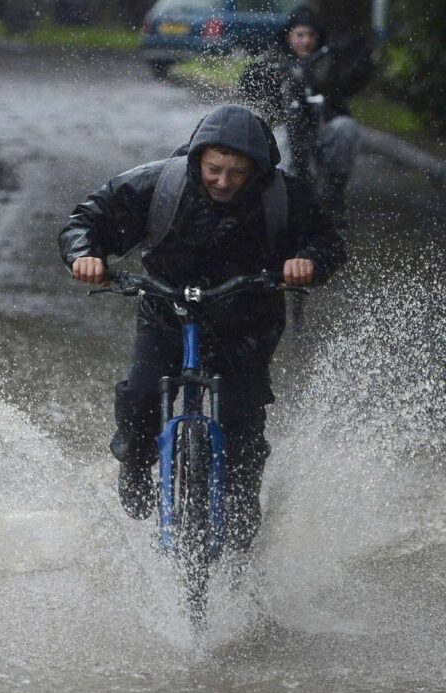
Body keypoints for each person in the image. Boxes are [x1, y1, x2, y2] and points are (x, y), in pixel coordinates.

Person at [59, 104, 346, 553]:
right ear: (197, 161)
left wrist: (308, 261)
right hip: (166, 310)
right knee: (140, 396)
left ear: (257, 169)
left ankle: (241, 502)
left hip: (247, 319)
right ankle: (134, 462)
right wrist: (86, 255)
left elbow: (327, 238)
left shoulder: (284, 196)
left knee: (242, 419)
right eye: (214, 170)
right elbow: (86, 220)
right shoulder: (159, 184)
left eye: (236, 173)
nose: (224, 182)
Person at [238, 5, 373, 223]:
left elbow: (353, 80)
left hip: (321, 131)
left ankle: (331, 196)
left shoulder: (329, 61)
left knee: (346, 128)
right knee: (281, 143)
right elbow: (248, 84)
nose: (306, 41)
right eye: (300, 35)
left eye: (311, 35)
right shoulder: (275, 60)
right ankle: (281, 200)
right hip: (284, 133)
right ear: (289, 35)